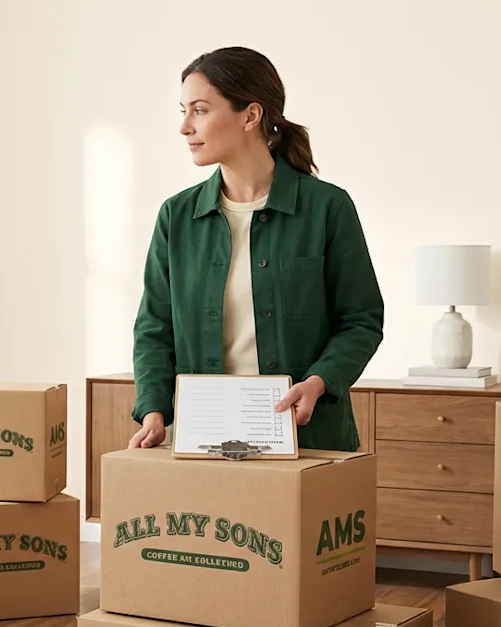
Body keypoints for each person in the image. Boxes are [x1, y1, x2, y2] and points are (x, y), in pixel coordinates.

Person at [128, 46, 383, 452]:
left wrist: (318, 381)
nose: (185, 127)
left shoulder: (327, 208)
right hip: (204, 440)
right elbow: (154, 329)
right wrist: (154, 411)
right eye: (184, 111)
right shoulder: (177, 217)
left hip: (308, 437)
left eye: (200, 110)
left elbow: (360, 320)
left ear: (250, 116)